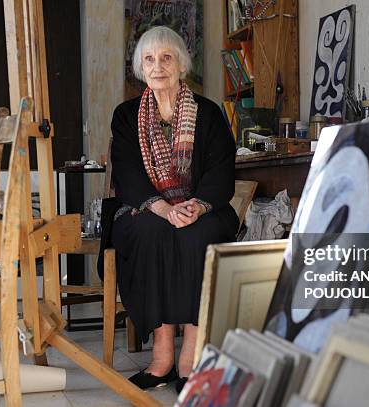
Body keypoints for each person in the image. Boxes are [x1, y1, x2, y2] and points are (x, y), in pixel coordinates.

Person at [109, 26, 238, 392]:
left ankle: (191, 357)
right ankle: (162, 356)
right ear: (140, 67)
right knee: (151, 232)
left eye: (167, 57)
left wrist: (195, 206)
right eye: (149, 58)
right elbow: (128, 173)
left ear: (181, 64)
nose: (158, 66)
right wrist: (164, 209)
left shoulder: (209, 113)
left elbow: (221, 171)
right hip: (147, 210)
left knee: (201, 235)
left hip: (201, 208)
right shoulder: (126, 116)